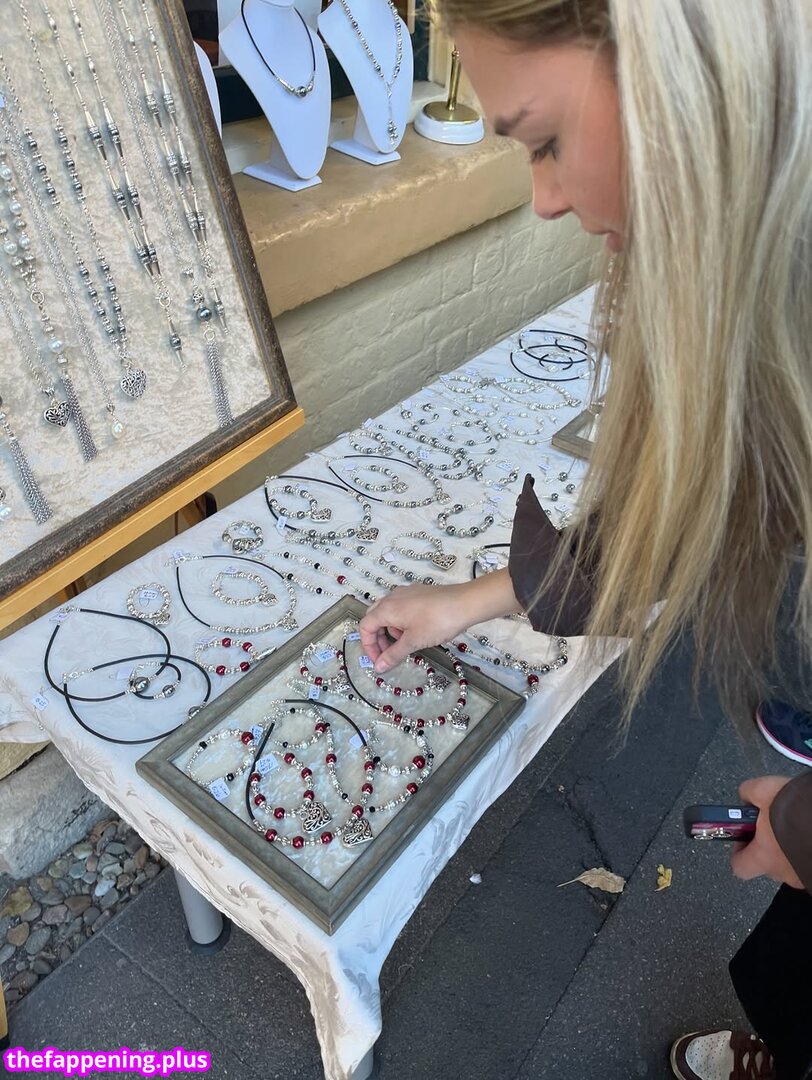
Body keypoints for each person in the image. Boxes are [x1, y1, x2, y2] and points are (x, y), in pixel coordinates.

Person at [358, 2, 812, 1078]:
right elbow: (687, 515)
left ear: (683, 83)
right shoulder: (749, 286)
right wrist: (470, 600)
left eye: (547, 140)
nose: (546, 198)